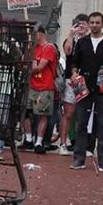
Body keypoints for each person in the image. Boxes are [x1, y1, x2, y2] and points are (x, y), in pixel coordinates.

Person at [69, 12, 103, 173]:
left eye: (97, 22)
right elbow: (74, 61)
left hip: (102, 90)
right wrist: (74, 73)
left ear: (102, 24)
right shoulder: (82, 43)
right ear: (89, 24)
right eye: (92, 22)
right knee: (80, 124)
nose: (95, 25)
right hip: (84, 88)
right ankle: (79, 159)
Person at [56, 14, 89, 155]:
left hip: (86, 80)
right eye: (78, 24)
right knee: (69, 113)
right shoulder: (71, 40)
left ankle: (81, 145)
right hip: (72, 80)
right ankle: (63, 144)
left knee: (84, 114)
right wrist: (71, 34)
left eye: (83, 24)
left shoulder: (90, 41)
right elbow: (67, 51)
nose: (80, 27)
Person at [23, 26, 59, 154]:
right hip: (32, 85)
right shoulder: (33, 48)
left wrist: (30, 64)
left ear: (40, 33)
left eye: (34, 34)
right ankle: (28, 138)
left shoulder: (49, 48)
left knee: (42, 114)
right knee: (26, 112)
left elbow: (39, 67)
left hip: (45, 86)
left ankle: (39, 141)